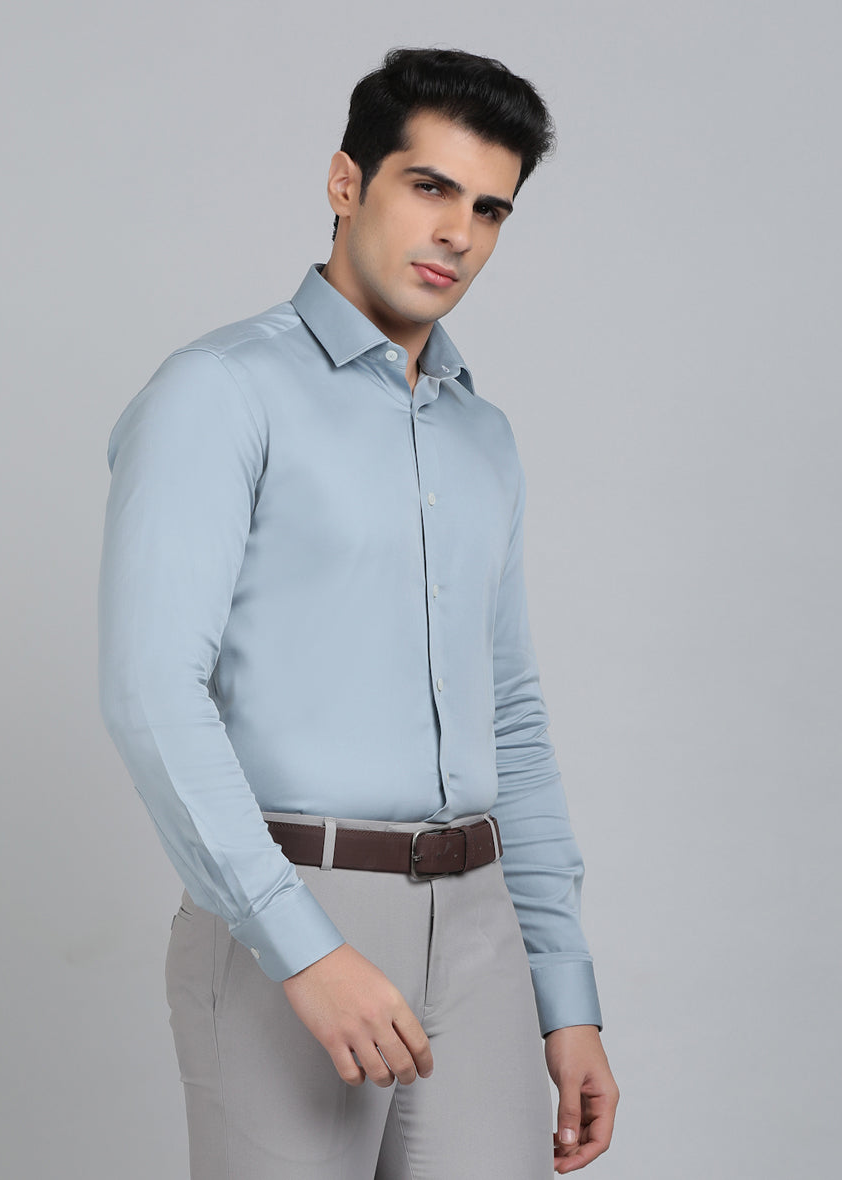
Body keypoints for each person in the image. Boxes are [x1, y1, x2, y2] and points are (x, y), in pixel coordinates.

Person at [97, 46, 619, 1179]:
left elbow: (513, 719)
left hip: (482, 931)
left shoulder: (484, 437)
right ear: (347, 182)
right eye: (429, 187)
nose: (457, 234)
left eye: (489, 209)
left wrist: (563, 992)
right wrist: (302, 948)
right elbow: (151, 694)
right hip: (291, 907)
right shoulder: (218, 392)